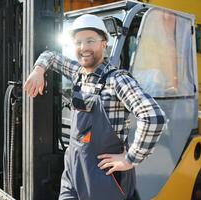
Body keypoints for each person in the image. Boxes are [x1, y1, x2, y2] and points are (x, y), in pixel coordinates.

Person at [24, 14, 166, 200]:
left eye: (90, 40)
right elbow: (50, 55)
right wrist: (38, 70)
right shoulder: (78, 73)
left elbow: (153, 117)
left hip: (105, 180)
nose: (83, 47)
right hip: (73, 173)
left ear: (103, 43)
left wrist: (131, 158)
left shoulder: (117, 80)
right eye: (78, 42)